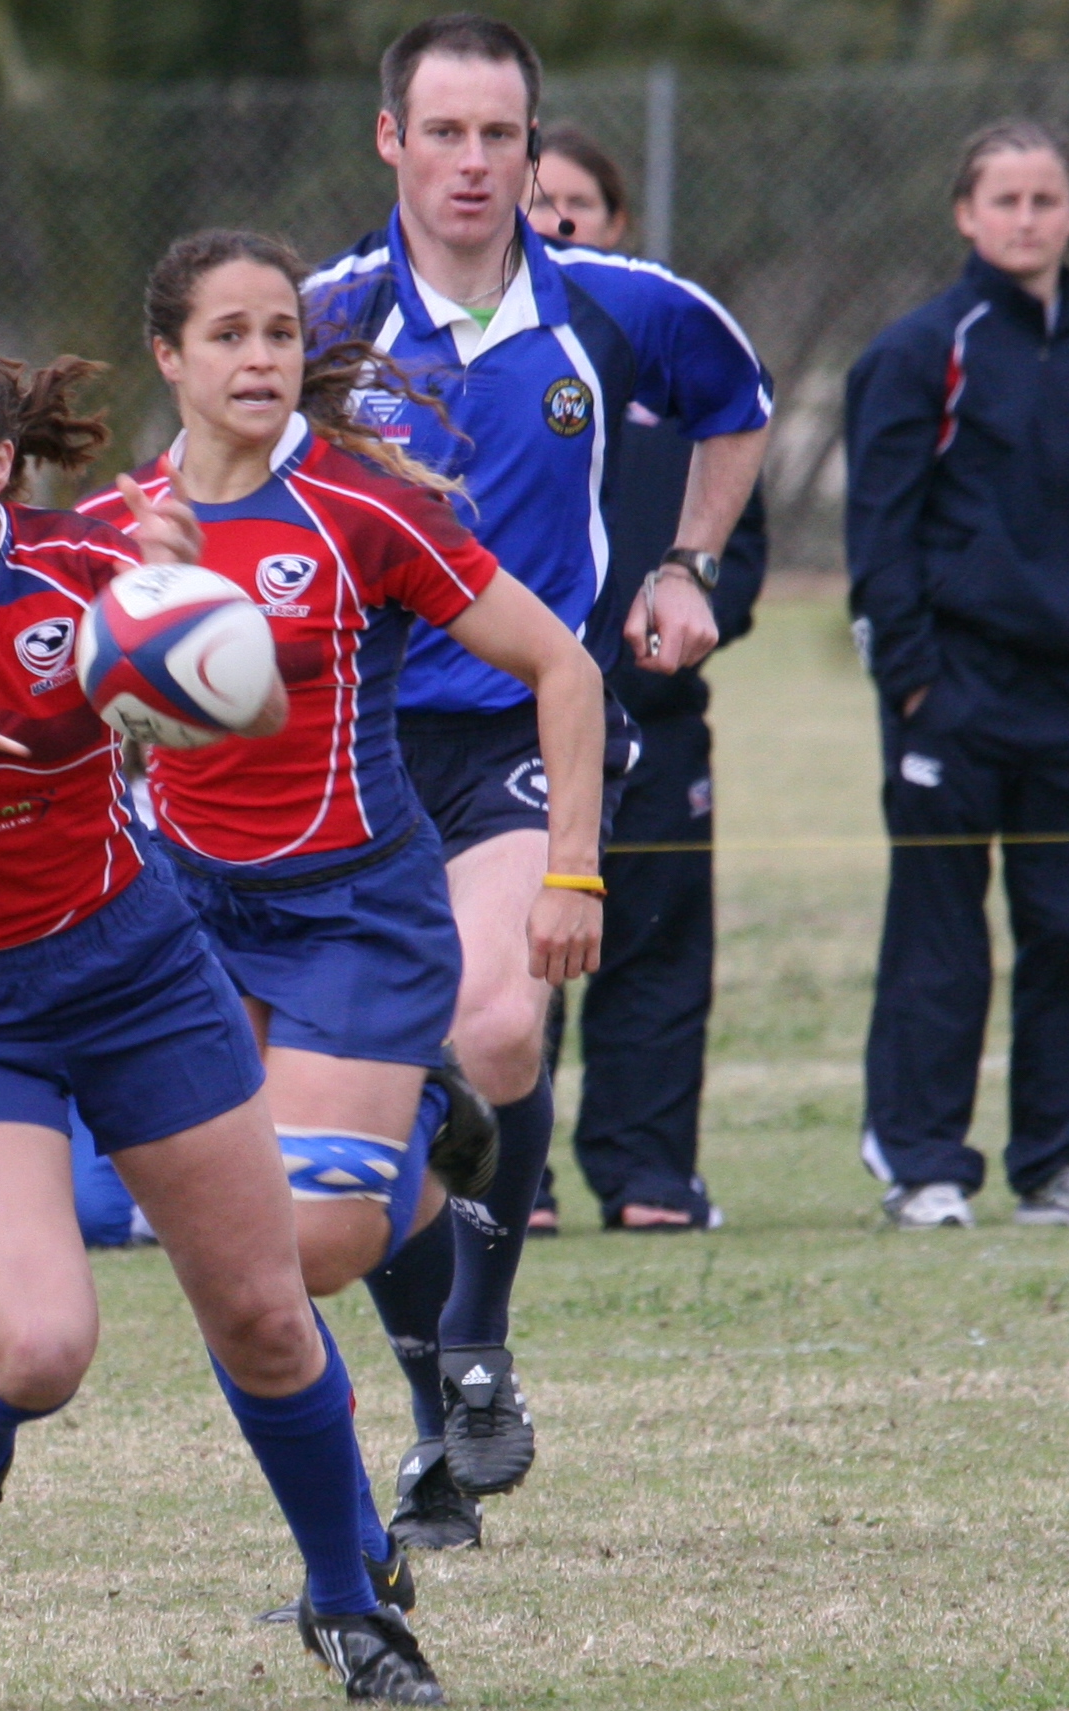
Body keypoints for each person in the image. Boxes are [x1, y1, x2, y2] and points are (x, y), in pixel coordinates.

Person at [0, 331, 443, 1704]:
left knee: (260, 1309)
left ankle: (344, 1600)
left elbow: (216, 680)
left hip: (136, 972)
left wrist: (187, 607)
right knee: (40, 1349)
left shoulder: (87, 567)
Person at [80, 228, 604, 1592]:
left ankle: (425, 1112)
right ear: (169, 357)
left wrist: (571, 868)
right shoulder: (115, 533)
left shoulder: (358, 511)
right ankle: (351, 1548)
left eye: (278, 334)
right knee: (229, 1258)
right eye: (227, 336)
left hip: (356, 913)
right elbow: (60, 717)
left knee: (312, 1246)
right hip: (191, 923)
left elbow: (561, 665)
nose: (260, 359)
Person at [304, 12, 769, 1541]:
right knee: (349, 1134)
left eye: (496, 134)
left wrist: (691, 561)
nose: (470, 161)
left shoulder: (618, 307)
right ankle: (438, 1418)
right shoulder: (321, 318)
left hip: (525, 725)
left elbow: (737, 402)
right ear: (390, 140)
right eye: (441, 131)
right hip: (349, 745)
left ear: (529, 146)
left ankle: (479, 1340)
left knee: (491, 1020)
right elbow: (213, 469)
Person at [841, 120, 1069, 1233]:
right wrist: (909, 680)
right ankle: (922, 1164)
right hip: (955, 691)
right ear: (964, 213)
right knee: (939, 939)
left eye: (1045, 199)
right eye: (1004, 200)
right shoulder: (918, 351)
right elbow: (879, 532)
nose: (1025, 218)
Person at [520, 123, 769, 1239]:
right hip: (511, 728)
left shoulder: (677, 371)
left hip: (656, 717)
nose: (553, 219)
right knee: (511, 958)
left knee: (657, 947)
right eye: (538, 203)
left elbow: (736, 544)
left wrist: (688, 594)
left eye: (576, 204)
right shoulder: (487, 377)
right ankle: (505, 1182)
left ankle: (647, 1175)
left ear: (615, 231)